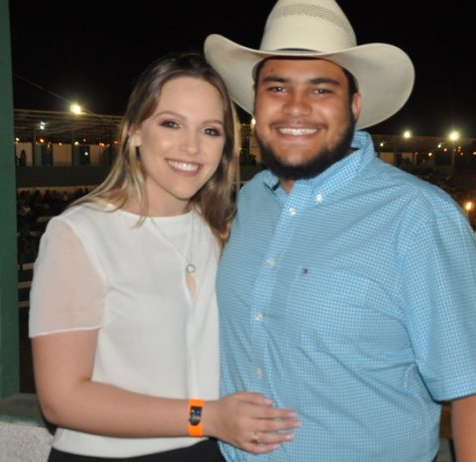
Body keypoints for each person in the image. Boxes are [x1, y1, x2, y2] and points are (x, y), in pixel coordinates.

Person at [205, 1, 476, 461]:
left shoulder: (418, 216)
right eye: (277, 87)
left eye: (321, 89)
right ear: (255, 101)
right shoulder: (251, 202)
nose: (296, 107)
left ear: (354, 104)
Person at [29, 53, 298, 462]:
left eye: (210, 130)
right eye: (171, 124)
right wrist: (205, 418)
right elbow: (61, 399)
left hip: (212, 451)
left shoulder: (221, 233)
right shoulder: (79, 234)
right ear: (135, 131)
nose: (191, 146)